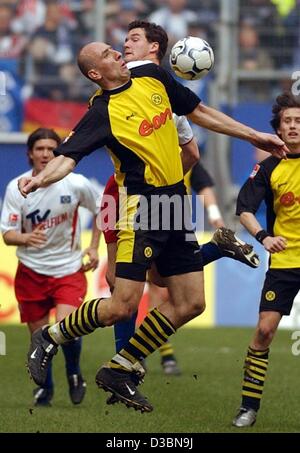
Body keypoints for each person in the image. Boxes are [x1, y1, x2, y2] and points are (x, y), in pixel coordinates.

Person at [20, 39, 289, 414]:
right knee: (120, 306)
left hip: (176, 203)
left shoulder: (152, 74)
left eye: (118, 48)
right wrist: (39, 180)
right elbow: (67, 158)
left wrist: (255, 135)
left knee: (191, 302)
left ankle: (120, 366)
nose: (118, 52)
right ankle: (48, 336)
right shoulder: (102, 110)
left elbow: (200, 112)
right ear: (96, 73)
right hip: (141, 209)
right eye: (108, 53)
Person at [103, 20, 259, 383]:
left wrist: (168, 183)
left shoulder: (170, 105)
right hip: (119, 194)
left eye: (133, 39)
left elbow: (194, 161)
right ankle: (124, 361)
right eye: (123, 40)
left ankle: (123, 361)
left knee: (151, 288)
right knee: (132, 282)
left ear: (156, 49)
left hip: (155, 202)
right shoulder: (117, 92)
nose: (125, 45)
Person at [0, 128, 101, 406]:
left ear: (59, 153)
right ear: (30, 153)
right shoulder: (16, 187)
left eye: (50, 149)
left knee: (66, 329)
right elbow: (7, 233)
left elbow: (103, 210)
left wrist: (93, 247)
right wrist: (25, 237)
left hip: (68, 269)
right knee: (39, 339)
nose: (45, 154)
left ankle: (74, 373)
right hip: (30, 271)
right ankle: (45, 387)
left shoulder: (75, 183)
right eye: (40, 148)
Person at [232, 92, 300, 427]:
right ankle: (248, 407)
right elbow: (243, 209)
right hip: (286, 260)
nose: (293, 126)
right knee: (264, 330)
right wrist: (264, 237)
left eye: (299, 121)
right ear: (278, 127)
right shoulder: (269, 167)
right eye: (287, 121)